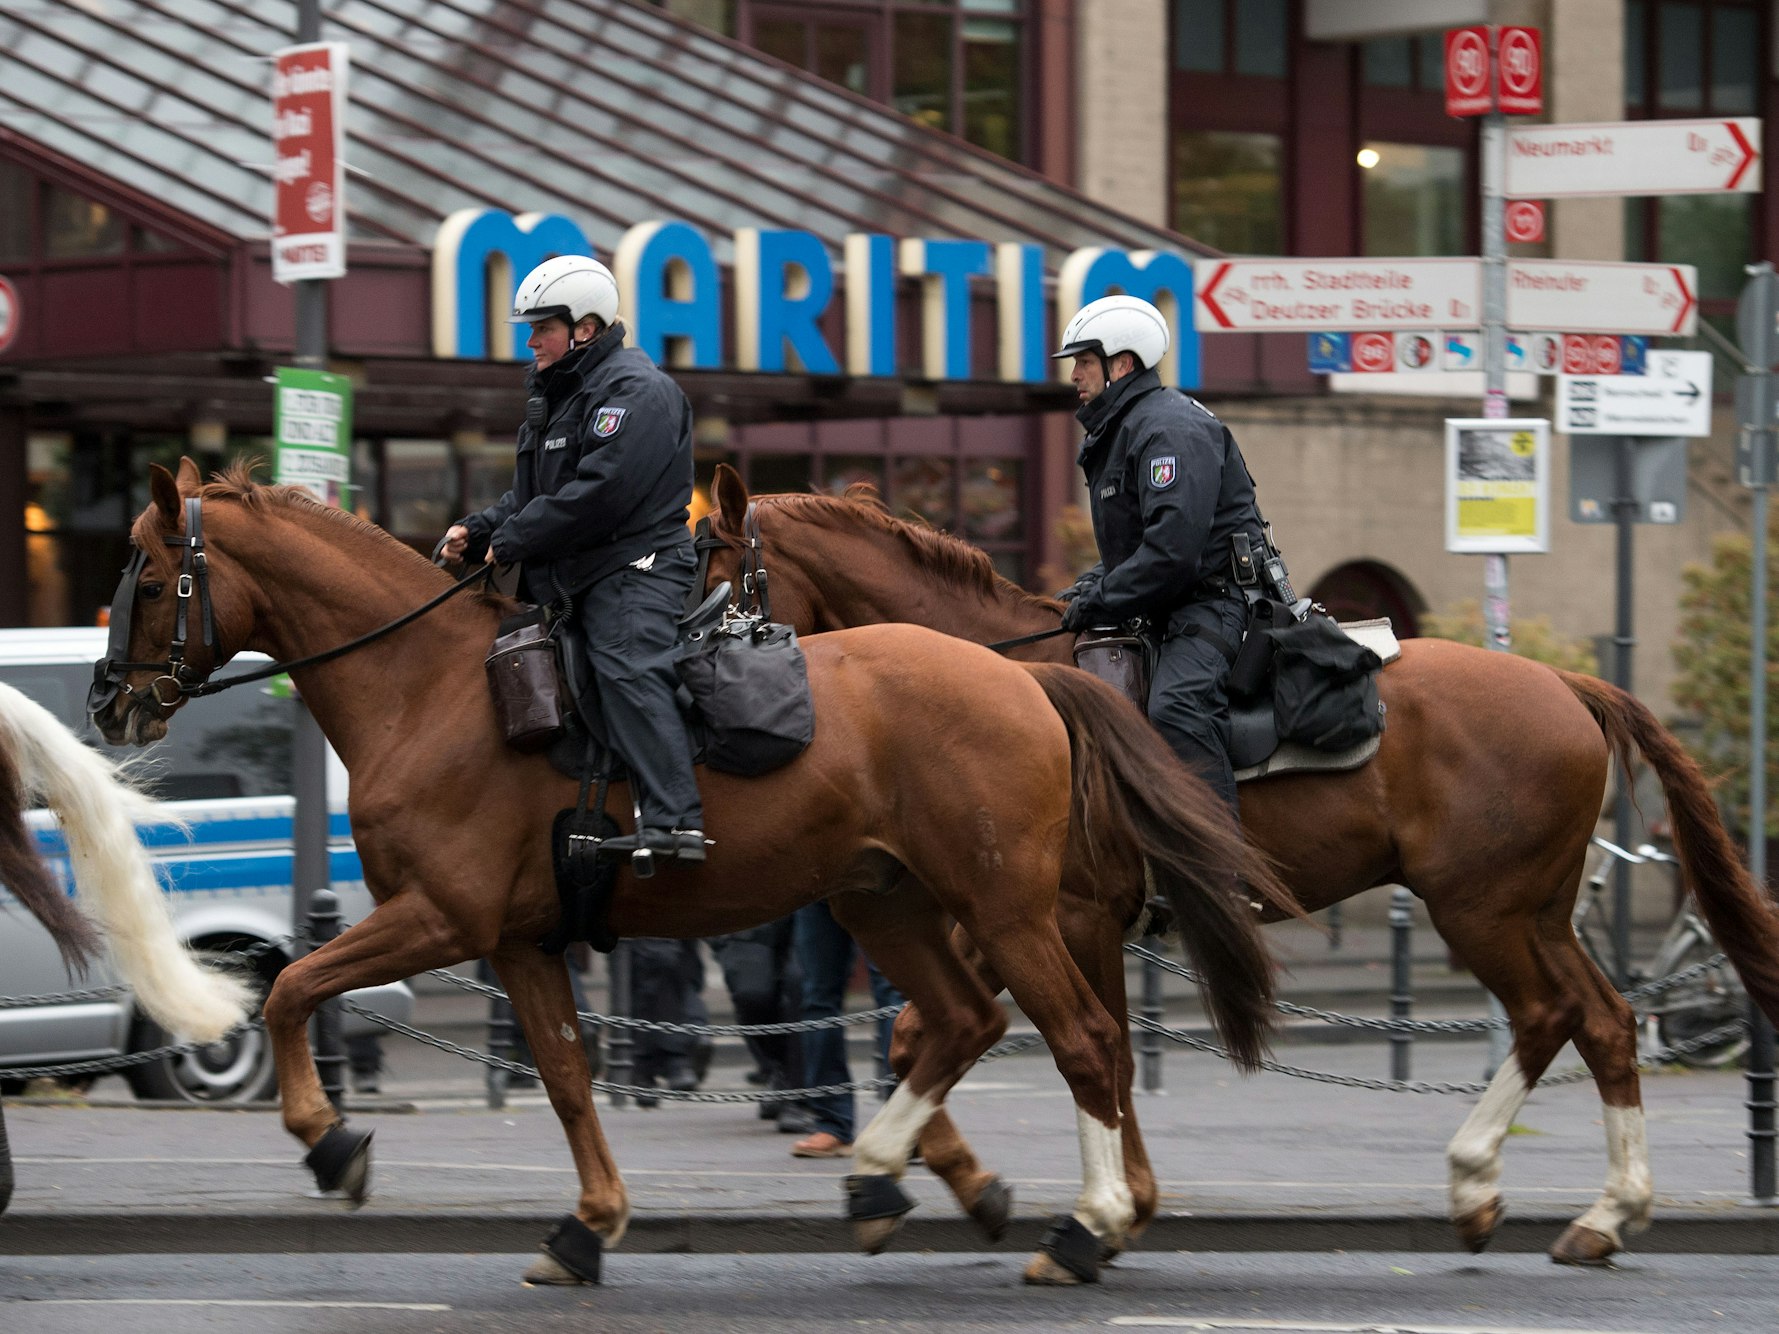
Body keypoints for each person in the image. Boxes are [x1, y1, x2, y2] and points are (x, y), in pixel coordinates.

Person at [441, 256, 706, 861]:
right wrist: (478, 526)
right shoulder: (557, 395)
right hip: (574, 577)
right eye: (530, 329)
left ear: (585, 328)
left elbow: (601, 494)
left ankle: (675, 820)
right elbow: (534, 495)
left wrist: (510, 540)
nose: (530, 341)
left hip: (636, 569)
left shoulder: (638, 392)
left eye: (542, 328)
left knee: (625, 665)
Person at [1053, 294, 1279, 813]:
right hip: (1170, 603)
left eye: (1085, 362)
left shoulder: (1168, 429)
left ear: (1122, 364)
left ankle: (1221, 882)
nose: (1075, 377)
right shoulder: (1127, 429)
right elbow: (1138, 549)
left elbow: (1173, 552)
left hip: (1216, 604)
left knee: (1178, 707)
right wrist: (1092, 585)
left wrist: (1105, 597)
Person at [787, 900, 904, 1158]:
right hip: (818, 882)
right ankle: (832, 1122)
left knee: (892, 991)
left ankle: (903, 1122)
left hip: (875, 877)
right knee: (817, 997)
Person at [707, 919, 818, 1136]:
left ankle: (797, 1094)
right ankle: (780, 1068)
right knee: (751, 995)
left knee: (800, 984)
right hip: (747, 910)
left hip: (806, 905)